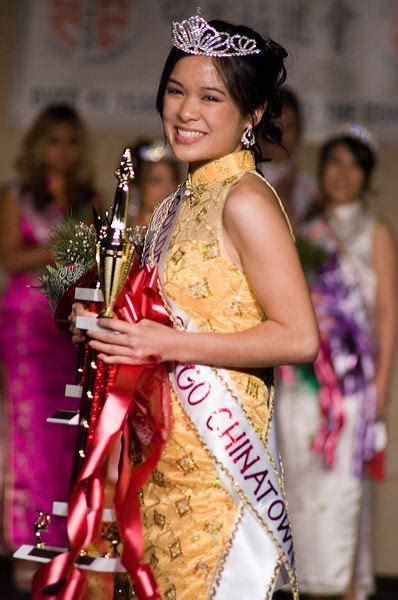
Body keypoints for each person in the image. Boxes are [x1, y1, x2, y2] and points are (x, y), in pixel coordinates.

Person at [70, 14, 319, 599]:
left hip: (217, 467)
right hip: (160, 455)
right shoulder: (179, 200)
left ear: (253, 113)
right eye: (177, 91)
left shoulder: (246, 198)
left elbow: (299, 336)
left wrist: (169, 344)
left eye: (211, 97)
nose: (187, 111)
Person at [276, 125, 396, 599]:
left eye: (354, 166)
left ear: (366, 176)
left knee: (343, 485)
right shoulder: (305, 231)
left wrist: (381, 383)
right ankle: (301, 578)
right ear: (321, 170)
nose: (342, 174)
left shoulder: (375, 231)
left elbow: (385, 310)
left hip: (350, 379)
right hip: (302, 379)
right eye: (334, 163)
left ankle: (344, 583)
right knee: (299, 479)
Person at [0, 104, 98, 591]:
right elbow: (12, 257)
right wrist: (59, 248)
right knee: (30, 436)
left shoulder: (90, 200)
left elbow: (100, 266)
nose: (63, 150)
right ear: (39, 144)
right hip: (26, 327)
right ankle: (28, 548)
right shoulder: (17, 197)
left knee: (69, 437)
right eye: (54, 139)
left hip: (72, 330)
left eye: (71, 140)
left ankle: (65, 551)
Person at [260, 87, 318, 228]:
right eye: (272, 125)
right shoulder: (238, 175)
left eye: (288, 126)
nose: (279, 134)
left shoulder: (312, 189)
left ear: (299, 131)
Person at [128, 139, 180, 226]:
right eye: (156, 181)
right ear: (138, 187)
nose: (168, 188)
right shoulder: (123, 232)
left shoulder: (183, 230)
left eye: (172, 180)